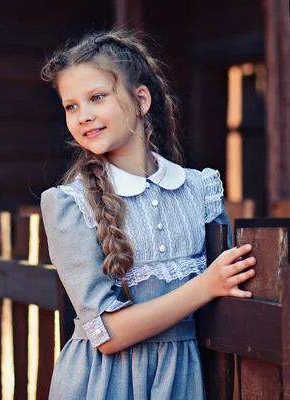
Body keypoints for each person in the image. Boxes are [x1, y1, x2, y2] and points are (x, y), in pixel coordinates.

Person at [39, 30, 256, 399]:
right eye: (71, 106)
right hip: (103, 383)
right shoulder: (68, 204)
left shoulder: (199, 189)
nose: (83, 116)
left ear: (140, 100)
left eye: (96, 97)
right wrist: (203, 286)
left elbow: (233, 294)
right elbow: (106, 335)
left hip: (184, 379)